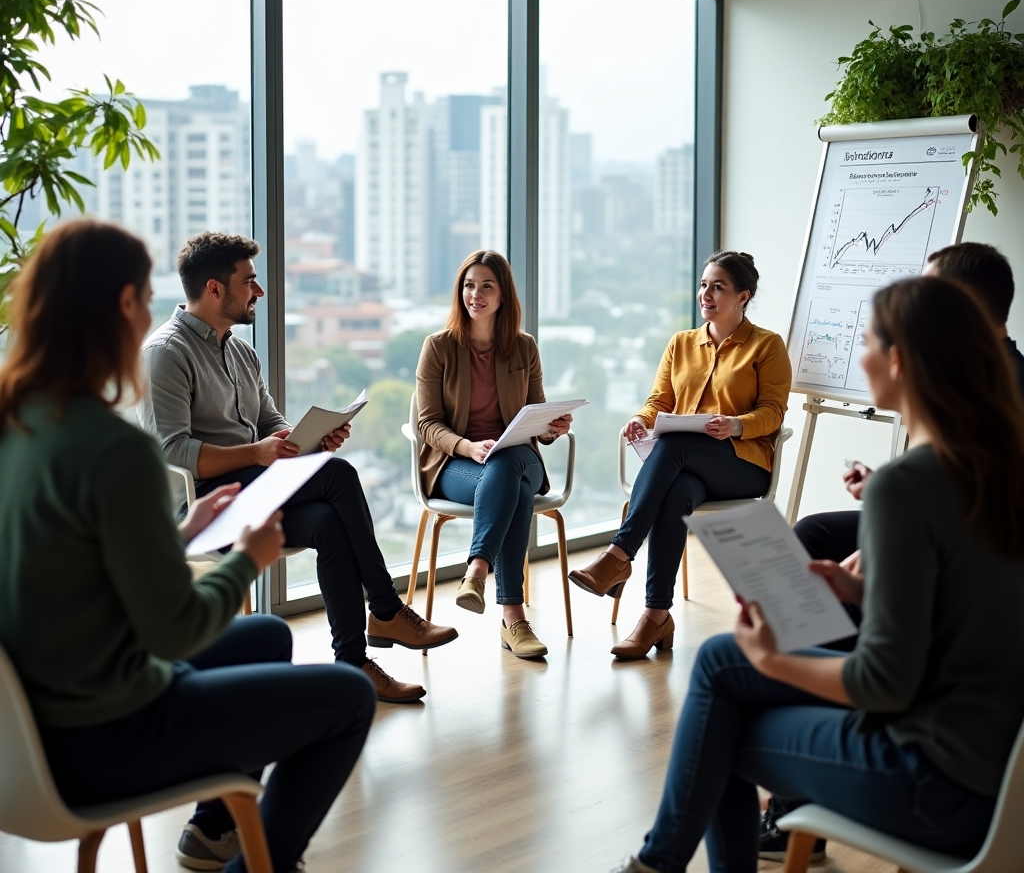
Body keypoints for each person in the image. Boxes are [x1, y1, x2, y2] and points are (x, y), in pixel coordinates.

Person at [612, 275, 1024, 873]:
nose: (859, 357)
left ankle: (657, 864)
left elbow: (885, 683)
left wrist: (774, 658)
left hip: (933, 784)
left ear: (901, 360)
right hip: (995, 772)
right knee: (720, 669)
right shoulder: (994, 469)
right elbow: (963, 600)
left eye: (867, 342)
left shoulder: (907, 487)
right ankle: (658, 863)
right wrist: (858, 587)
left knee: (721, 706)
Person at [0, 220, 376, 873]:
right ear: (122, 305)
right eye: (144, 299)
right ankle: (260, 863)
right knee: (349, 698)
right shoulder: (115, 451)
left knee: (268, 638)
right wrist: (248, 562)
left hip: (27, 731)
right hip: (104, 735)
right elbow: (174, 632)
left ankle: (210, 833)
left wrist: (174, 533)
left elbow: (73, 566)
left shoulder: (19, 425)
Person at [759, 240, 1024, 861]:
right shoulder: (976, 366)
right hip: (943, 522)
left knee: (807, 598)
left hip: (967, 543)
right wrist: (882, 494)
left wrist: (882, 550)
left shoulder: (996, 378)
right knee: (819, 534)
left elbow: (968, 504)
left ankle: (811, 728)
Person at [139, 232, 457, 708]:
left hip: (258, 488)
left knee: (330, 522)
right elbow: (173, 450)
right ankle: (386, 609)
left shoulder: (242, 352)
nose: (259, 292)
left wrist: (307, 441)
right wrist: (259, 454)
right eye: (249, 282)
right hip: (208, 506)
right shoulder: (166, 352)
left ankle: (353, 662)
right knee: (340, 476)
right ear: (214, 289)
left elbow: (271, 425)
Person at [569, 251, 791, 659]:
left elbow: (773, 414)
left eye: (718, 286)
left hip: (742, 465)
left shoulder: (767, 346)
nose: (706, 293)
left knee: (672, 445)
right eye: (704, 284)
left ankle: (618, 555)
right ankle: (656, 616)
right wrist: (640, 419)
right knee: (676, 492)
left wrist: (737, 425)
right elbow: (660, 400)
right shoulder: (681, 343)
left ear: (743, 296)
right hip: (689, 465)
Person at [415, 250, 572, 659]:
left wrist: (552, 429)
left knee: (508, 464)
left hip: (519, 457)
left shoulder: (524, 348)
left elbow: (536, 413)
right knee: (514, 491)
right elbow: (426, 424)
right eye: (469, 285)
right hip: (458, 464)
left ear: (504, 295)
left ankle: (477, 569)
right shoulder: (438, 348)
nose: (476, 294)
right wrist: (467, 446)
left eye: (487, 286)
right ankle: (513, 619)